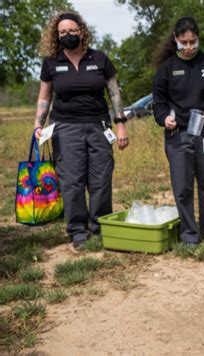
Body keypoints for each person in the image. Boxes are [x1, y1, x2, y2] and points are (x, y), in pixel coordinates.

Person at [35, 11, 129, 251]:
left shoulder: (100, 59)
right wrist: (38, 123)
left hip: (98, 126)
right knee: (72, 181)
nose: (68, 35)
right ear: (56, 36)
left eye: (72, 30)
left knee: (100, 179)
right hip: (65, 128)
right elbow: (44, 97)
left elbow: (115, 93)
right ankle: (78, 231)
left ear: (82, 31)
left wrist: (120, 124)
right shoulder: (51, 63)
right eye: (62, 32)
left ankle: (99, 228)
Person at [152, 16, 204, 246]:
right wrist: (163, 118)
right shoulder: (166, 69)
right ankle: (189, 234)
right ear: (175, 40)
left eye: (193, 42)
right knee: (182, 187)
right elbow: (159, 103)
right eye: (184, 42)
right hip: (178, 135)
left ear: (198, 39)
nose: (188, 47)